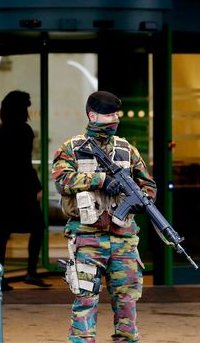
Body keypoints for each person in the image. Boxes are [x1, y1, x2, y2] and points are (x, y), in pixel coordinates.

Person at [52, 91, 157, 343]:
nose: (115, 119)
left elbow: (149, 186)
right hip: (88, 239)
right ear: (92, 115)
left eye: (116, 114)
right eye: (109, 114)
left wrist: (142, 201)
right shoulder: (71, 149)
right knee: (86, 301)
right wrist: (100, 179)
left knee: (127, 304)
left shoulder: (127, 150)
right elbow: (62, 180)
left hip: (124, 241)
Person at [0, 90, 50, 290]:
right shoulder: (24, 131)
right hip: (21, 189)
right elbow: (24, 163)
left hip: (4, 189)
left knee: (3, 234)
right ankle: (31, 272)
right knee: (38, 228)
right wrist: (36, 186)